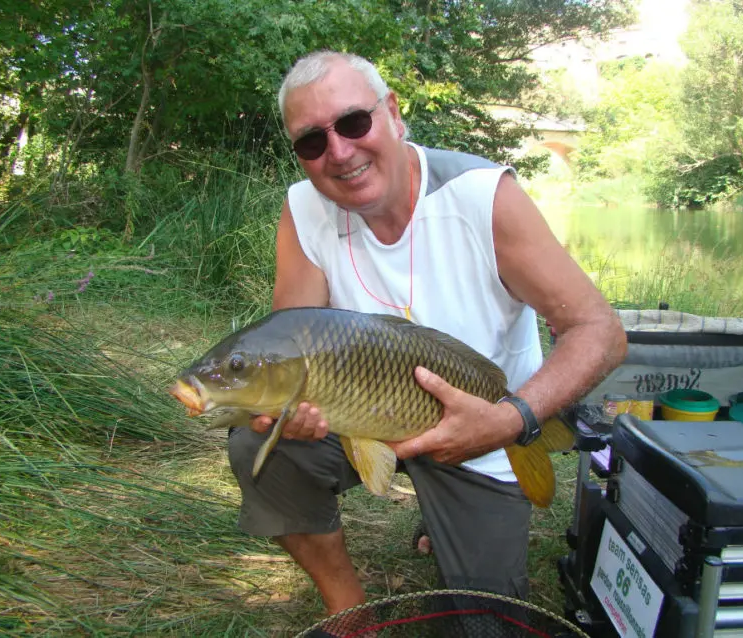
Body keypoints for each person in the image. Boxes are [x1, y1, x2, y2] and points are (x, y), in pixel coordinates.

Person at [227, 50, 627, 618]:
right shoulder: (303, 209)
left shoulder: (482, 196)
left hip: (487, 425)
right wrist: (277, 412)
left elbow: (601, 331)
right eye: (311, 142)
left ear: (392, 112)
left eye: (353, 123)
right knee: (257, 446)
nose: (338, 152)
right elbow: (287, 343)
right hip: (357, 417)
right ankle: (347, 604)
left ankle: (452, 516)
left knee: (486, 621)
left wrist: (513, 419)